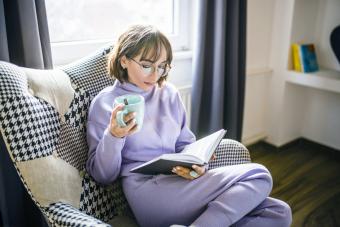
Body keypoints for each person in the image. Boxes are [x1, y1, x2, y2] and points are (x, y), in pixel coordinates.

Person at [86, 25, 292, 227]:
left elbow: (185, 144)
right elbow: (103, 176)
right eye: (147, 65)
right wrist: (114, 135)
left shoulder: (169, 93)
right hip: (149, 193)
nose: (155, 74)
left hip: (182, 183)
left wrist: (198, 165)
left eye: (162, 66)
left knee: (279, 213)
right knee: (259, 174)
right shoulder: (105, 103)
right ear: (124, 60)